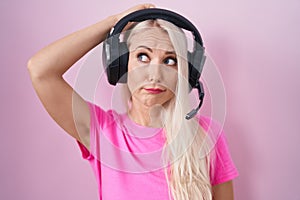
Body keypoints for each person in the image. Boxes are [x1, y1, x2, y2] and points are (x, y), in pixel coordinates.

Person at [27, 4, 238, 200]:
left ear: (185, 74)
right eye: (143, 56)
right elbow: (40, 70)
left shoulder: (206, 134)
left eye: (169, 61)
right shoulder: (103, 131)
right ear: (121, 64)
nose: (155, 74)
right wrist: (113, 23)